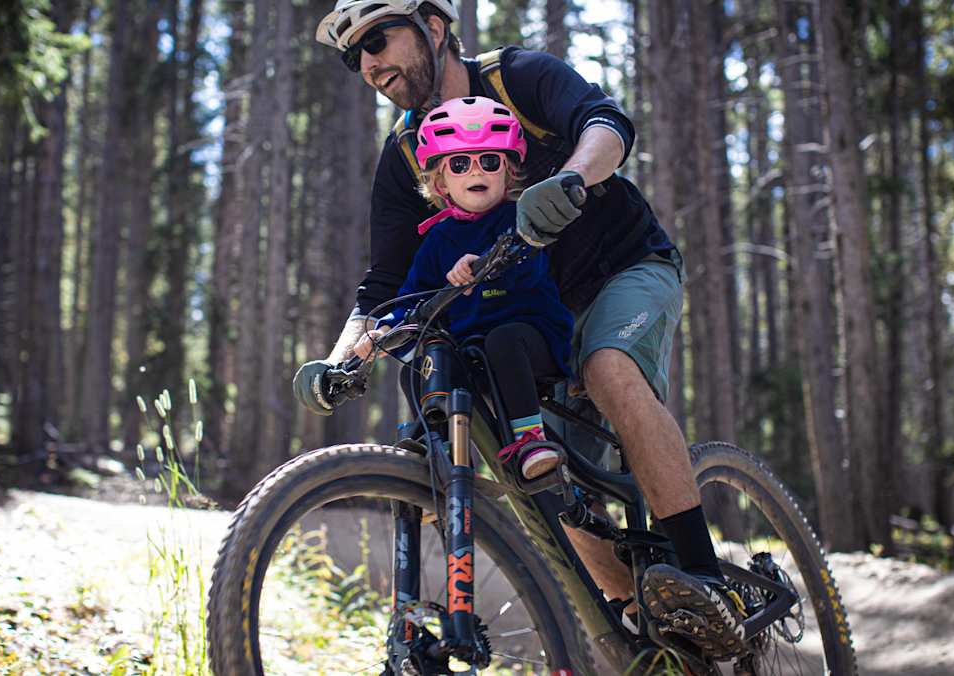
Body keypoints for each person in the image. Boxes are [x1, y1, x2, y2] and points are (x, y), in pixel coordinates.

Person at [296, 0, 748, 660]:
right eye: (352, 55)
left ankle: (707, 585)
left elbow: (606, 123)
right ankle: (638, 630)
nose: (367, 62)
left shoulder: (516, 77)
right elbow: (384, 286)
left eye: (377, 38)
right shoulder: (403, 157)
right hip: (527, 320)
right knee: (539, 478)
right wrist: (340, 361)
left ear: (434, 26)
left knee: (606, 367)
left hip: (621, 268)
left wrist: (568, 177)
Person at [353, 96, 572, 481]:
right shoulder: (437, 239)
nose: (476, 170)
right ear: (440, 180)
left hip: (530, 345)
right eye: (460, 163)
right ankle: (440, 454)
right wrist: (386, 329)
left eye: (490, 161)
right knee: (419, 369)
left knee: (502, 341)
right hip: (472, 353)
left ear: (509, 172)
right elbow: (415, 294)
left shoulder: (518, 219)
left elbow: (529, 269)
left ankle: (530, 439)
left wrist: (484, 263)